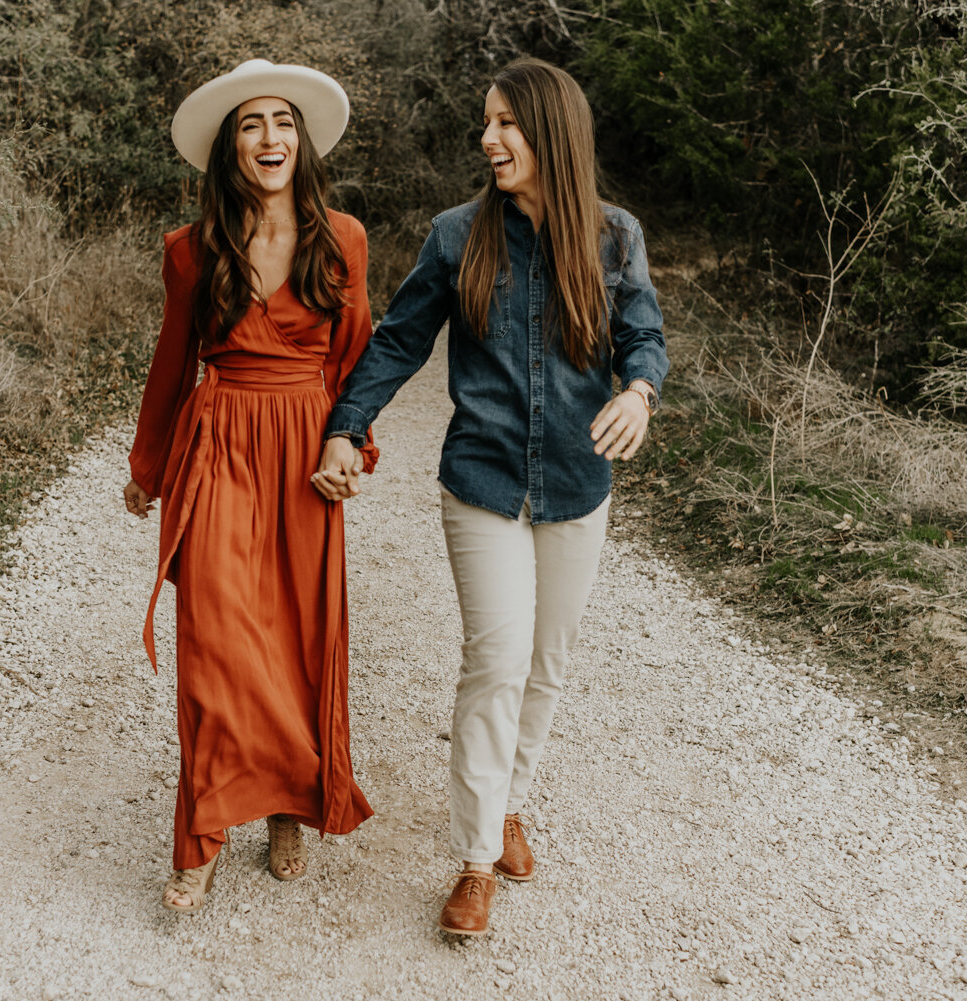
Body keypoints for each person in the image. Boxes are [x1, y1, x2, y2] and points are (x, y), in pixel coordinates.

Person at [314, 58, 668, 936]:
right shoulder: (455, 236)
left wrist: (638, 392)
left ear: (551, 132)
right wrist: (344, 425)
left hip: (580, 490)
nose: (489, 138)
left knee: (546, 664)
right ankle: (475, 859)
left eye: (506, 123)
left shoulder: (614, 235)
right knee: (497, 661)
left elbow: (645, 336)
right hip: (481, 484)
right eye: (487, 123)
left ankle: (512, 800)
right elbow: (396, 343)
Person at [124, 59, 378, 913]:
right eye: (250, 125)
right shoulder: (190, 249)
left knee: (298, 639)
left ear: (300, 141)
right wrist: (146, 465)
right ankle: (199, 833)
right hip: (221, 440)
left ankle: (285, 804)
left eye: (282, 123)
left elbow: (356, 358)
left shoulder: (342, 236)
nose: (270, 138)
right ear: (229, 149)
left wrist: (354, 446)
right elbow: (170, 364)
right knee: (217, 644)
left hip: (305, 444)